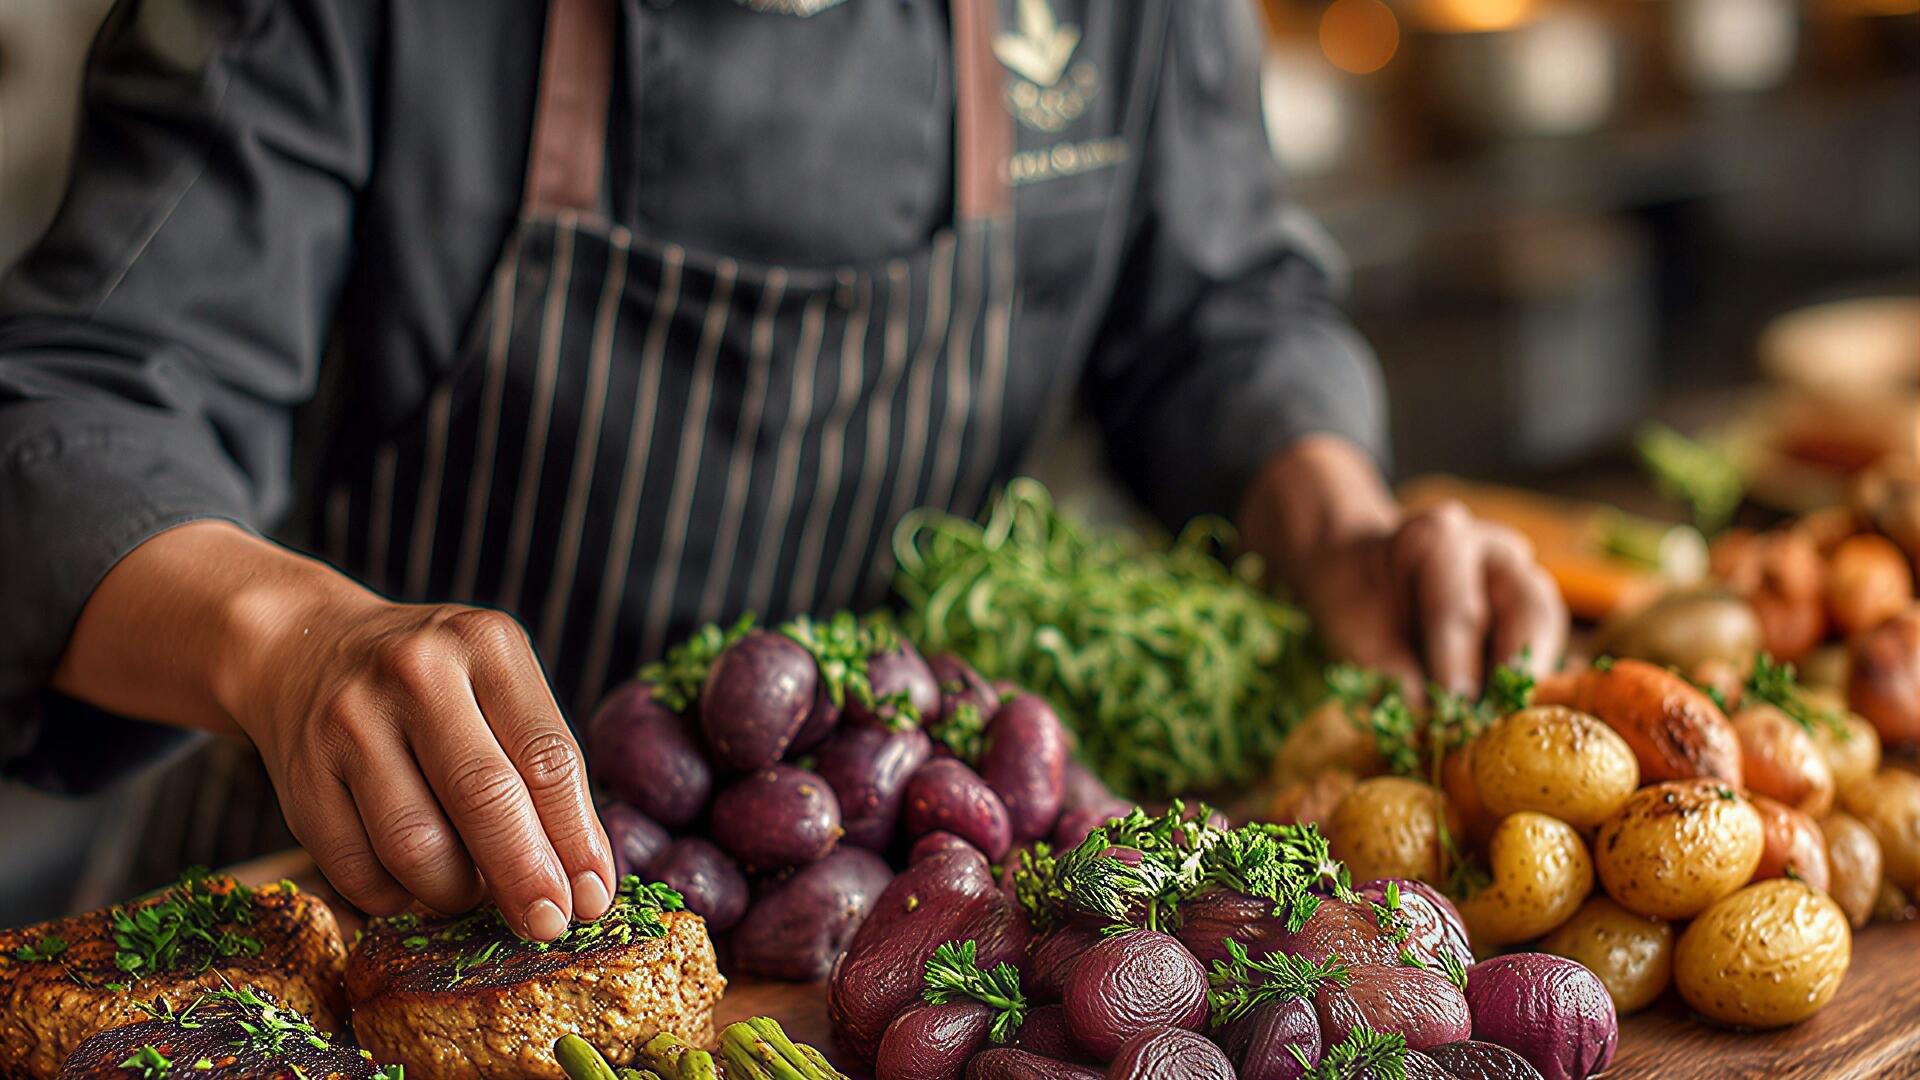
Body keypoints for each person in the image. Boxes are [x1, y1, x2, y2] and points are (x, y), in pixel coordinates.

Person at [0, 0, 1564, 940]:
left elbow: (1215, 314)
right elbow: (65, 415)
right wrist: (290, 642)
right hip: (367, 905)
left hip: (880, 928)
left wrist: (1336, 523)